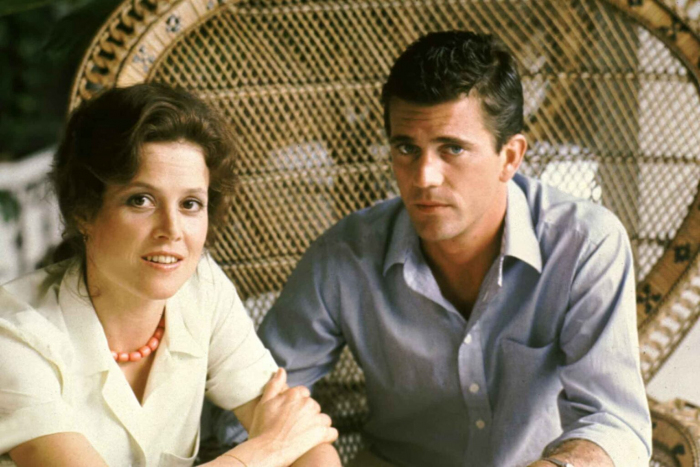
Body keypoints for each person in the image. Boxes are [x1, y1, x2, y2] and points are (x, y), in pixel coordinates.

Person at [250, 31, 653, 466]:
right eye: (407, 148)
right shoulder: (344, 256)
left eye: (453, 148)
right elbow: (253, 409)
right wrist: (314, 454)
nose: (424, 177)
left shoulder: (583, 245)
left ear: (510, 157)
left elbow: (615, 424)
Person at [0, 83, 341, 467]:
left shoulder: (203, 288)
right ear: (84, 210)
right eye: (141, 200)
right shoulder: (13, 334)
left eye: (190, 203)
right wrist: (269, 449)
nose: (172, 229)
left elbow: (307, 441)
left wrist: (284, 443)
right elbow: (285, 440)